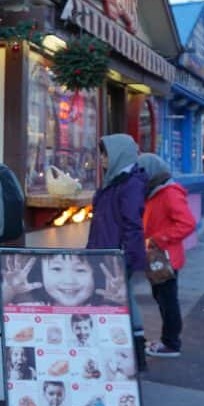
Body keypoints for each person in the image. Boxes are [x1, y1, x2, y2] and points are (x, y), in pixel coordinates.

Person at [87, 134, 148, 371]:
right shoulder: (116, 180)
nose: (101, 159)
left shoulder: (129, 183)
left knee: (122, 302)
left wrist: (129, 261)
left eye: (105, 154)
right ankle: (126, 352)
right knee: (121, 301)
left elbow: (132, 224)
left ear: (118, 154)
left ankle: (133, 352)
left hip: (115, 257)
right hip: (104, 254)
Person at [136, 153, 196, 358]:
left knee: (167, 300)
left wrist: (157, 240)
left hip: (165, 259)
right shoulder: (156, 192)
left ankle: (171, 343)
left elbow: (187, 224)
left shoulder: (168, 193)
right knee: (163, 299)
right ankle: (168, 340)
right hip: (159, 258)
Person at [1, 253, 123, 309]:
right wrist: (10, 290)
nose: (69, 280)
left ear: (96, 275)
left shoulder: (106, 310)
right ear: (40, 273)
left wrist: (124, 299)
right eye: (56, 268)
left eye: (80, 270)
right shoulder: (33, 309)